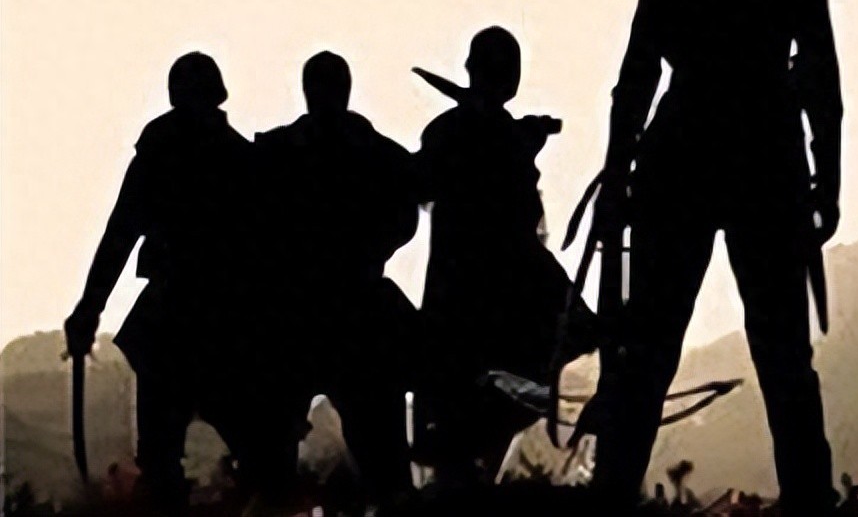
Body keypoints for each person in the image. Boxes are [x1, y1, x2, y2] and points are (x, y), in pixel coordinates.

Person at [589, 0, 843, 515]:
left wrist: (829, 175)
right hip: (716, 159)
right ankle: (614, 494)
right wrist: (615, 176)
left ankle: (806, 500)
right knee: (658, 346)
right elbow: (637, 75)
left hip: (737, 160)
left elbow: (821, 77)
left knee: (773, 351)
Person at [64, 53, 257, 514]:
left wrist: (90, 308)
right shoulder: (238, 159)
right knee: (228, 452)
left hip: (187, 320)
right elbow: (120, 236)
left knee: (186, 456)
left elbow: (120, 236)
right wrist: (89, 309)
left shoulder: (167, 155)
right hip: (218, 320)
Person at [410, 27, 597, 484]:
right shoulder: (479, 135)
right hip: (489, 286)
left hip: (472, 287)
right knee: (510, 378)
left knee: (506, 382)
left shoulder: (459, 132)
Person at [253, 51, 420, 507]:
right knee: (380, 454)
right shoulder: (376, 154)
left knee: (278, 453)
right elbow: (405, 213)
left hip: (300, 313)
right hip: (350, 311)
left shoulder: (277, 153)